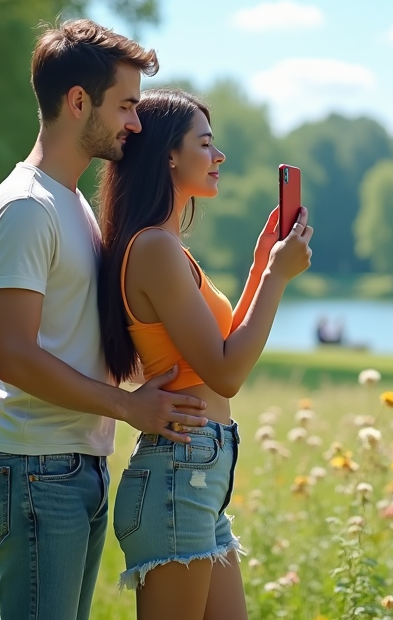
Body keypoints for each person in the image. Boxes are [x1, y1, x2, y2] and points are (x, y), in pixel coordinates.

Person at [0, 21, 209, 620]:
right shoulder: (29, 207)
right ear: (79, 102)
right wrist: (127, 406)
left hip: (76, 464)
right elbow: (17, 356)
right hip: (37, 471)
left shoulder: (70, 201)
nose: (135, 122)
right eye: (126, 105)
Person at [97, 88, 313, 620]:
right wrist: (276, 278)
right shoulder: (154, 248)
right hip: (180, 473)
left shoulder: (168, 249)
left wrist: (264, 262)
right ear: (170, 154)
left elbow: (219, 349)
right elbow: (225, 372)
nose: (218, 158)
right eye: (206, 144)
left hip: (198, 472)